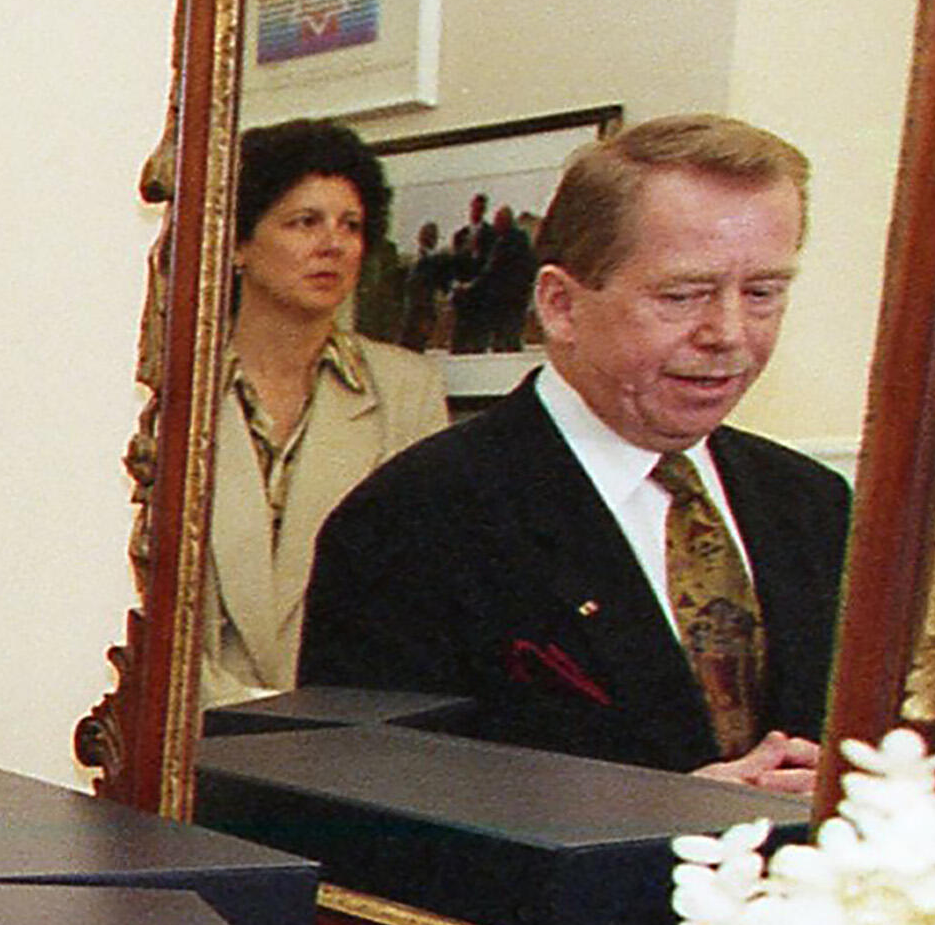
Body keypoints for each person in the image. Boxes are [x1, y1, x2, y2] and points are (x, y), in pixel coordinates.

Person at [302, 114, 848, 797]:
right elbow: (368, 819)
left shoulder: (816, 506)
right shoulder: (412, 522)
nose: (729, 334)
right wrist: (666, 818)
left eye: (763, 293)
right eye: (683, 296)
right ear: (560, 305)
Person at [206, 118, 448, 703]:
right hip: (187, 732)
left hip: (341, 734)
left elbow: (419, 591)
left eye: (351, 225)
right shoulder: (173, 386)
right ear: (239, 245)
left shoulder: (406, 389)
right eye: (303, 222)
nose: (333, 244)